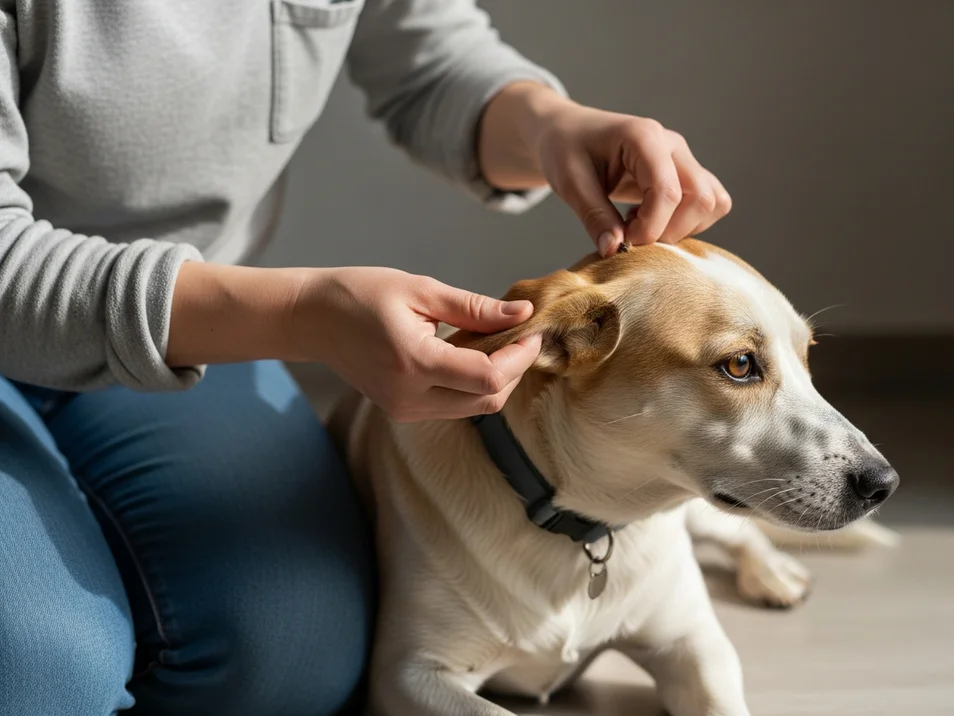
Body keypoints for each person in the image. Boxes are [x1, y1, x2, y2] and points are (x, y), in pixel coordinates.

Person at [0, 2, 730, 715]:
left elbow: (432, 59)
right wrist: (300, 315)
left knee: (286, 665)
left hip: (191, 333)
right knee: (43, 676)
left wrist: (553, 126)